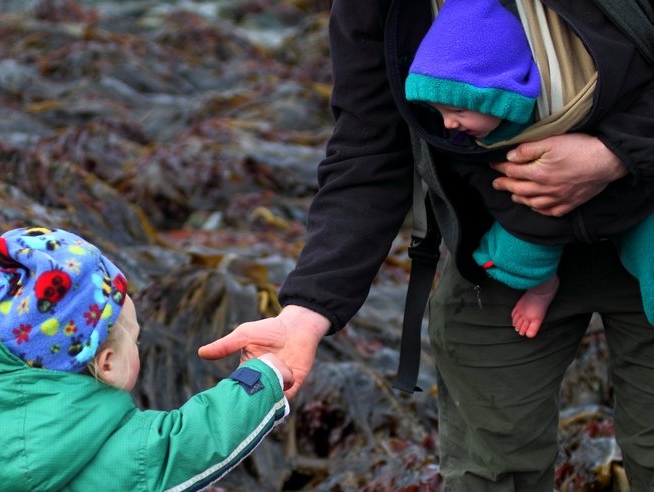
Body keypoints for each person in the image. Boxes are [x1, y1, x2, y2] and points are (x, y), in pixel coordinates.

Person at [200, 0, 654, 490]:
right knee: (491, 472)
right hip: (493, 252)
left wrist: (618, 154)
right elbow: (368, 149)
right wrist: (308, 309)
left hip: (645, 223)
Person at [0, 226, 292, 491]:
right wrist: (262, 375)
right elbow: (193, 439)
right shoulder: (125, 450)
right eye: (136, 338)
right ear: (108, 364)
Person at [404, 0, 654, 338]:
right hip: (534, 219)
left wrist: (614, 155)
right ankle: (541, 289)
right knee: (512, 254)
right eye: (438, 111)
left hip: (632, 197)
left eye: (457, 110)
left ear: (497, 97)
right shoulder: (471, 146)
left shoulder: (574, 94)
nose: (448, 122)